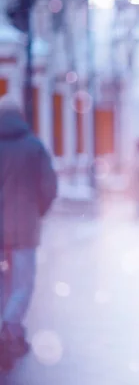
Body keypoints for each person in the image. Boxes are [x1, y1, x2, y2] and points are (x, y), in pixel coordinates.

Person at [0, 97, 57, 369]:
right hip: (24, 230)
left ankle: (11, 335)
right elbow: (49, 186)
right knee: (22, 285)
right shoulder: (34, 147)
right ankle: (8, 329)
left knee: (4, 286)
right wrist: (36, 212)